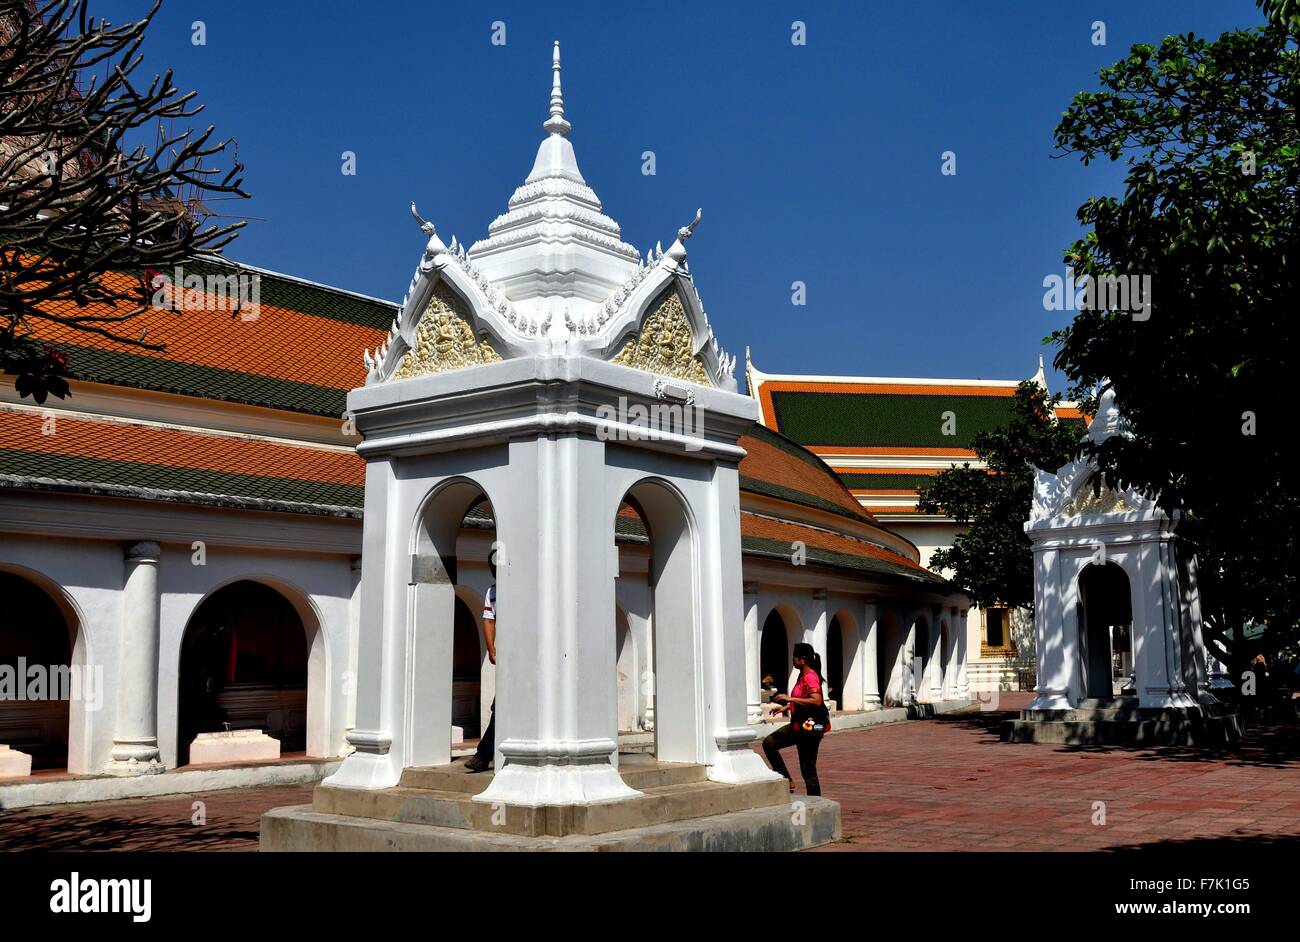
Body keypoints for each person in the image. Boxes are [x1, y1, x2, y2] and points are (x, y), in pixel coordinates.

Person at [761, 642, 830, 796]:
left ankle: (815, 803)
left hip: (809, 729)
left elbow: (816, 700)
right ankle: (786, 779)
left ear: (802, 660)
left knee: (808, 769)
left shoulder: (810, 676)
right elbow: (804, 699)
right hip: (799, 725)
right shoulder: (803, 675)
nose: (792, 661)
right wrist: (786, 707)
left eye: (794, 658)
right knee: (769, 743)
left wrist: (789, 698)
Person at [463, 557, 497, 773]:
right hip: (512, 659)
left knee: (501, 708)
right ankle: (483, 755)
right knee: (501, 707)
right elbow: (488, 619)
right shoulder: (493, 592)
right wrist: (492, 649)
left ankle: (483, 755)